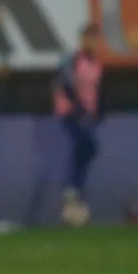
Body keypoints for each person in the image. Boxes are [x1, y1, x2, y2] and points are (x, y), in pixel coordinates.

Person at [52, 24, 103, 227]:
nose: (92, 43)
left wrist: (95, 113)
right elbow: (65, 85)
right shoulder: (73, 61)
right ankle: (72, 188)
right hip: (71, 113)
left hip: (88, 115)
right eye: (89, 38)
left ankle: (75, 190)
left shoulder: (96, 63)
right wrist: (79, 110)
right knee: (84, 145)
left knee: (88, 149)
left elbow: (95, 90)